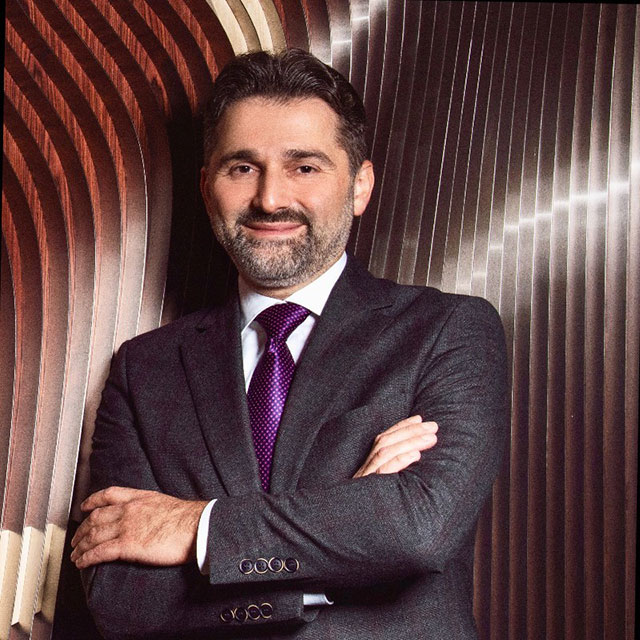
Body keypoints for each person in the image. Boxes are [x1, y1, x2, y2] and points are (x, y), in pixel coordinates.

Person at [71, 49, 508, 639]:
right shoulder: (144, 368)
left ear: (359, 186)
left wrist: (198, 528)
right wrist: (347, 535)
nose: (271, 198)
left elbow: (418, 529)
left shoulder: (447, 331)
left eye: (304, 167)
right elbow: (121, 601)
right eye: (241, 168)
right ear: (206, 188)